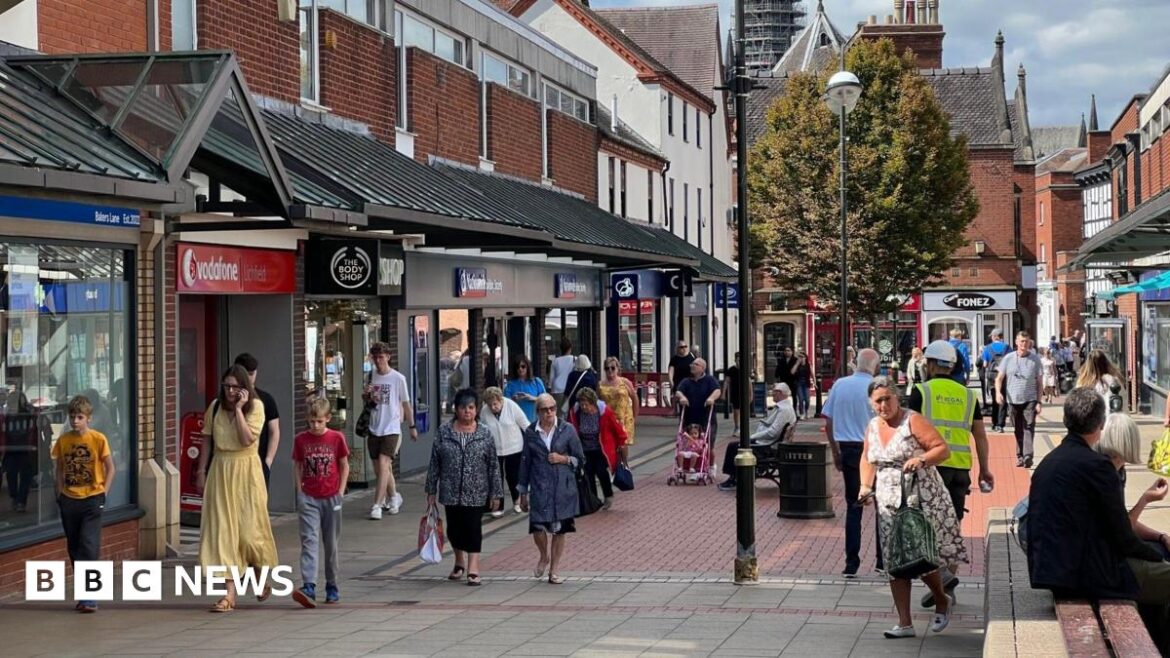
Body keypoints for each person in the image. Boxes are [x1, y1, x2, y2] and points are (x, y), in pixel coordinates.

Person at [1027, 388, 1170, 646]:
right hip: (1085, 576)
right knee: (1162, 572)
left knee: (1155, 569)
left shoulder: (1050, 461)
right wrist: (1159, 556)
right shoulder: (1097, 467)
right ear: (1101, 424)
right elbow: (1124, 539)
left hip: (1051, 570)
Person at [859, 376, 965, 638]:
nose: (883, 405)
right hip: (888, 499)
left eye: (887, 399)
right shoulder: (872, 426)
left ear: (897, 397)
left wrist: (921, 459)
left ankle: (941, 598)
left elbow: (942, 449)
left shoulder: (912, 419)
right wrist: (865, 485)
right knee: (894, 561)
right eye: (878, 401)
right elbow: (867, 457)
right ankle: (904, 622)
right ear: (871, 404)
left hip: (920, 496)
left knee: (921, 556)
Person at [908, 340, 994, 608]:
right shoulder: (969, 396)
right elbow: (980, 435)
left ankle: (941, 579)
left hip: (930, 469)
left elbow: (908, 431)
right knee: (952, 527)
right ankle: (948, 587)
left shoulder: (921, 391)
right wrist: (985, 469)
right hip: (960, 470)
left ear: (931, 364)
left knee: (922, 525)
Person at [196, 364, 278, 612]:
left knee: (249, 534)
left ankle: (259, 576)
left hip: (247, 473)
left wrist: (240, 410)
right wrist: (201, 471)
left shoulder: (257, 407)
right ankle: (229, 594)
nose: (230, 391)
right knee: (223, 534)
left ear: (245, 388)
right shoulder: (215, 407)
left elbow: (246, 439)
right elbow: (207, 440)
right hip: (221, 470)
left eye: (235, 387)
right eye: (227, 386)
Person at [424, 388, 504, 586]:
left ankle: (473, 566)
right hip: (451, 490)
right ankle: (459, 561)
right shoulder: (444, 431)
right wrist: (431, 489)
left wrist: (496, 494)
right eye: (463, 408)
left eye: (471, 407)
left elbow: (493, 465)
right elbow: (435, 461)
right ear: (456, 409)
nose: (467, 412)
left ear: (476, 410)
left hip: (477, 491)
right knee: (454, 529)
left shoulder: (484, 433)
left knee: (473, 528)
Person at [51, 395, 115, 613]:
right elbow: (59, 467)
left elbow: (110, 468)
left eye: (79, 417)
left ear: (89, 418)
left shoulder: (98, 439)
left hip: (92, 499)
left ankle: (89, 597)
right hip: (69, 500)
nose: (75, 421)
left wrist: (103, 493)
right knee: (75, 548)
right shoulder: (64, 441)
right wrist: (59, 492)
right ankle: (83, 592)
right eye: (72, 417)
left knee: (89, 545)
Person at [824, 348, 880, 578]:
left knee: (853, 505)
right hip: (874, 450)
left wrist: (835, 451)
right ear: (874, 366)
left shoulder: (840, 385)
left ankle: (851, 562)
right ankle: (883, 560)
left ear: (856, 363)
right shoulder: (878, 387)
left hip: (847, 448)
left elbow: (828, 420)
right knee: (882, 506)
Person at [519, 393, 585, 585]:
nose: (549, 413)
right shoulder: (531, 432)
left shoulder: (567, 429)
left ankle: (554, 569)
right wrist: (522, 492)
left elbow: (580, 459)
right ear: (537, 412)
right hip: (539, 486)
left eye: (552, 408)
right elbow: (525, 463)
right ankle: (543, 556)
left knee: (559, 529)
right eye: (544, 410)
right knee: (538, 527)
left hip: (562, 487)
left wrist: (563, 459)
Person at [291, 397, 350, 608]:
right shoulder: (301, 440)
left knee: (331, 544)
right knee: (309, 540)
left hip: (331, 497)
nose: (315, 426)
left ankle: (332, 585)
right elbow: (297, 465)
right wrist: (299, 491)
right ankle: (309, 585)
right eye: (312, 421)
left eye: (319, 421)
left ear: (328, 419)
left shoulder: (336, 438)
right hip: (309, 497)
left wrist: (341, 493)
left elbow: (344, 465)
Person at [1096, 414, 1170, 560]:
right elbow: (1122, 530)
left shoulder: (1118, 471)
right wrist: (1145, 500)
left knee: (1162, 548)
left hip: (1111, 548)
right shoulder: (1105, 475)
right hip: (1106, 557)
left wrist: (1161, 537)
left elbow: (1124, 520)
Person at [363, 342, 417, 520]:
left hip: (391, 427)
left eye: (381, 357)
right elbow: (367, 403)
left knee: (385, 465)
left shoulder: (398, 378)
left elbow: (406, 404)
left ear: (388, 356)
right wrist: (367, 394)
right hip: (374, 426)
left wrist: (412, 426)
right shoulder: (370, 376)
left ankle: (377, 505)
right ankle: (394, 497)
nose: (378, 361)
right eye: (375, 357)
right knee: (380, 470)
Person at [718, 383, 797, 491]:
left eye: (774, 391)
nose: (772, 394)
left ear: (779, 393)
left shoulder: (784, 410)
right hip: (770, 442)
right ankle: (733, 477)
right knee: (734, 445)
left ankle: (734, 479)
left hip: (770, 445)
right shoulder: (784, 407)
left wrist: (752, 437)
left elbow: (773, 432)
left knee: (735, 447)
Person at [569, 388, 626, 510]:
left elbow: (617, 428)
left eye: (586, 404)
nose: (584, 407)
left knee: (601, 471)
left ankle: (608, 495)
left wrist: (621, 442)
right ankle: (593, 501)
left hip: (601, 448)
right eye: (582, 404)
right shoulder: (576, 412)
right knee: (588, 475)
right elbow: (571, 429)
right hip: (585, 449)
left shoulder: (604, 412)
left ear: (593, 403)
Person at [995, 331, 1044, 468]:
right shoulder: (1008, 358)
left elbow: (1040, 382)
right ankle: (1020, 456)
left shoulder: (1035, 360)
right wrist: (998, 393)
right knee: (1018, 429)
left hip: (1030, 399)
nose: (1024, 344)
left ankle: (1028, 455)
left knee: (1028, 426)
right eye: (1022, 341)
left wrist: (1039, 402)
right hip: (1013, 399)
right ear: (1016, 342)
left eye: (1026, 341)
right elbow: (999, 378)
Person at [233, 353, 280, 488]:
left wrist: (268, 460)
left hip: (258, 461)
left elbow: (274, 431)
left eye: (252, 373)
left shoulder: (266, 399)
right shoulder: (227, 400)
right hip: (233, 461)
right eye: (245, 374)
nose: (249, 378)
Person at [481, 387, 529, 517]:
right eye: (490, 404)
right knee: (497, 478)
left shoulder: (511, 406)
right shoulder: (484, 411)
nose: (493, 407)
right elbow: (482, 431)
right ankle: (499, 506)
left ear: (500, 400)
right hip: (495, 450)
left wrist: (534, 441)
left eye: (495, 403)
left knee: (513, 476)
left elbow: (525, 424)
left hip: (514, 447)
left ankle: (516, 501)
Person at [598, 356, 638, 460]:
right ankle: (614, 467)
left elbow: (634, 398)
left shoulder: (625, 382)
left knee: (622, 444)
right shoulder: (600, 384)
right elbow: (597, 402)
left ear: (617, 369)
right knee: (610, 444)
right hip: (608, 420)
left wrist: (634, 416)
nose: (610, 370)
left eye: (612, 368)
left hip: (623, 419)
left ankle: (624, 466)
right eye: (607, 368)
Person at [676, 358, 722, 444]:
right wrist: (682, 397)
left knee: (707, 444)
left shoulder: (710, 380)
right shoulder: (686, 381)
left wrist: (711, 398)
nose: (692, 366)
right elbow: (678, 391)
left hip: (706, 417)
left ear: (702, 368)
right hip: (689, 417)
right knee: (687, 444)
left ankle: (709, 456)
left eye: (695, 364)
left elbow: (717, 390)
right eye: (692, 364)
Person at [978, 329, 1010, 432]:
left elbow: (985, 365)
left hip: (992, 376)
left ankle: (994, 422)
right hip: (1004, 375)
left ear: (994, 336)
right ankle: (1000, 424)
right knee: (1003, 398)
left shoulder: (988, 348)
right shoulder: (1007, 347)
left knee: (994, 398)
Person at [1077, 349, 1125, 415]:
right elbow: (1123, 403)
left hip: (1092, 421)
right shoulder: (1114, 380)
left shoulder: (1083, 382)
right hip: (1113, 420)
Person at [504, 355, 546, 423]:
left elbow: (546, 400)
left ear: (527, 367)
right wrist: (513, 399)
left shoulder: (536, 382)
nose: (520, 369)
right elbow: (505, 404)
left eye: (523, 366)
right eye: (518, 367)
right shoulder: (510, 385)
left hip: (535, 421)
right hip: (517, 422)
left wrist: (532, 398)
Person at [668, 342, 696, 415]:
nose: (683, 348)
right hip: (678, 379)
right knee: (676, 395)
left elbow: (696, 368)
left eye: (685, 346)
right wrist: (670, 380)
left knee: (689, 395)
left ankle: (689, 410)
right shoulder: (674, 359)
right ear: (677, 348)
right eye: (681, 347)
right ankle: (675, 409)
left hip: (689, 379)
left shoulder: (691, 357)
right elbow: (671, 369)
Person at [549, 337, 576, 414]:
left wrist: (550, 391)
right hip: (570, 389)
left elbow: (551, 378)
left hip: (557, 390)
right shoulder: (575, 359)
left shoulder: (555, 361)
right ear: (570, 348)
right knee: (569, 413)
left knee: (559, 413)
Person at [722, 352, 745, 436]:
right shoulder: (731, 370)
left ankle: (744, 427)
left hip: (744, 392)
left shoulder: (745, 368)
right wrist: (723, 393)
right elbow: (726, 381)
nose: (739, 361)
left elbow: (749, 382)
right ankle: (737, 426)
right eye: (738, 360)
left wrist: (751, 393)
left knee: (744, 410)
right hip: (735, 392)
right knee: (736, 410)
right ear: (735, 360)